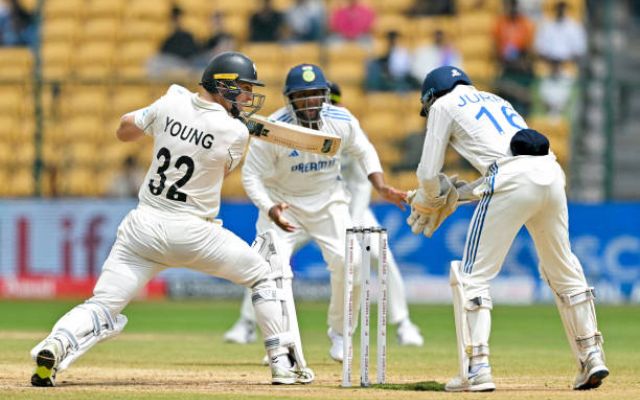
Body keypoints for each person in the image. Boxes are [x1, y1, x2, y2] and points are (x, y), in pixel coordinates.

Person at [29, 51, 314, 387]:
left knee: (103, 305)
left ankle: (55, 344)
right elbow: (222, 169)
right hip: (194, 233)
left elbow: (124, 129)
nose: (249, 97)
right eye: (245, 88)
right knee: (263, 277)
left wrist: (164, 124)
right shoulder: (234, 132)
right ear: (224, 87)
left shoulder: (171, 101)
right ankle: (282, 365)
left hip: (142, 230)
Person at [406, 65, 609, 392]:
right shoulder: (496, 99)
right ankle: (591, 356)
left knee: (472, 276)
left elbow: (429, 173)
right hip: (551, 174)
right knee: (563, 267)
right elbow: (517, 162)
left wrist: (430, 198)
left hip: (511, 178)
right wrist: (458, 196)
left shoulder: (442, 106)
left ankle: (478, 367)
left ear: (431, 98)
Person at [224, 64, 406, 362]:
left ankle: (340, 333)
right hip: (283, 205)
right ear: (289, 99)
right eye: (302, 95)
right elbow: (251, 176)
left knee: (353, 263)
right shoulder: (273, 129)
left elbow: (365, 151)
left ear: (324, 96)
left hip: (328, 202)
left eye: (315, 95)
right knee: (272, 274)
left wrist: (382, 185)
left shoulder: (341, 119)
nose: (310, 102)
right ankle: (281, 345)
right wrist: (269, 207)